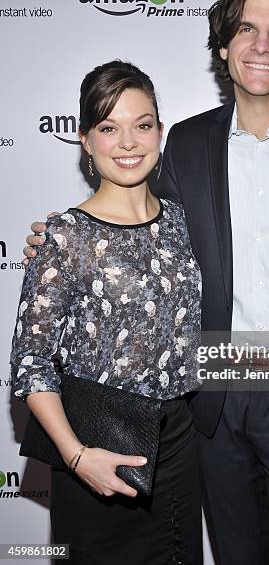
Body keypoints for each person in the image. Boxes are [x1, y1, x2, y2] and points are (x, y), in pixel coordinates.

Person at [24, 0, 269, 565]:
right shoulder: (187, 145)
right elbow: (135, 224)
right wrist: (58, 241)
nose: (261, 46)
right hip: (210, 406)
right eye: (246, 28)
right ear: (223, 45)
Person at [13, 60, 203, 565]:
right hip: (97, 449)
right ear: (85, 141)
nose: (128, 143)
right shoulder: (65, 237)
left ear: (160, 134)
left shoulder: (184, 222)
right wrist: (78, 458)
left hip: (180, 448)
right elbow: (31, 368)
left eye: (142, 125)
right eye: (108, 128)